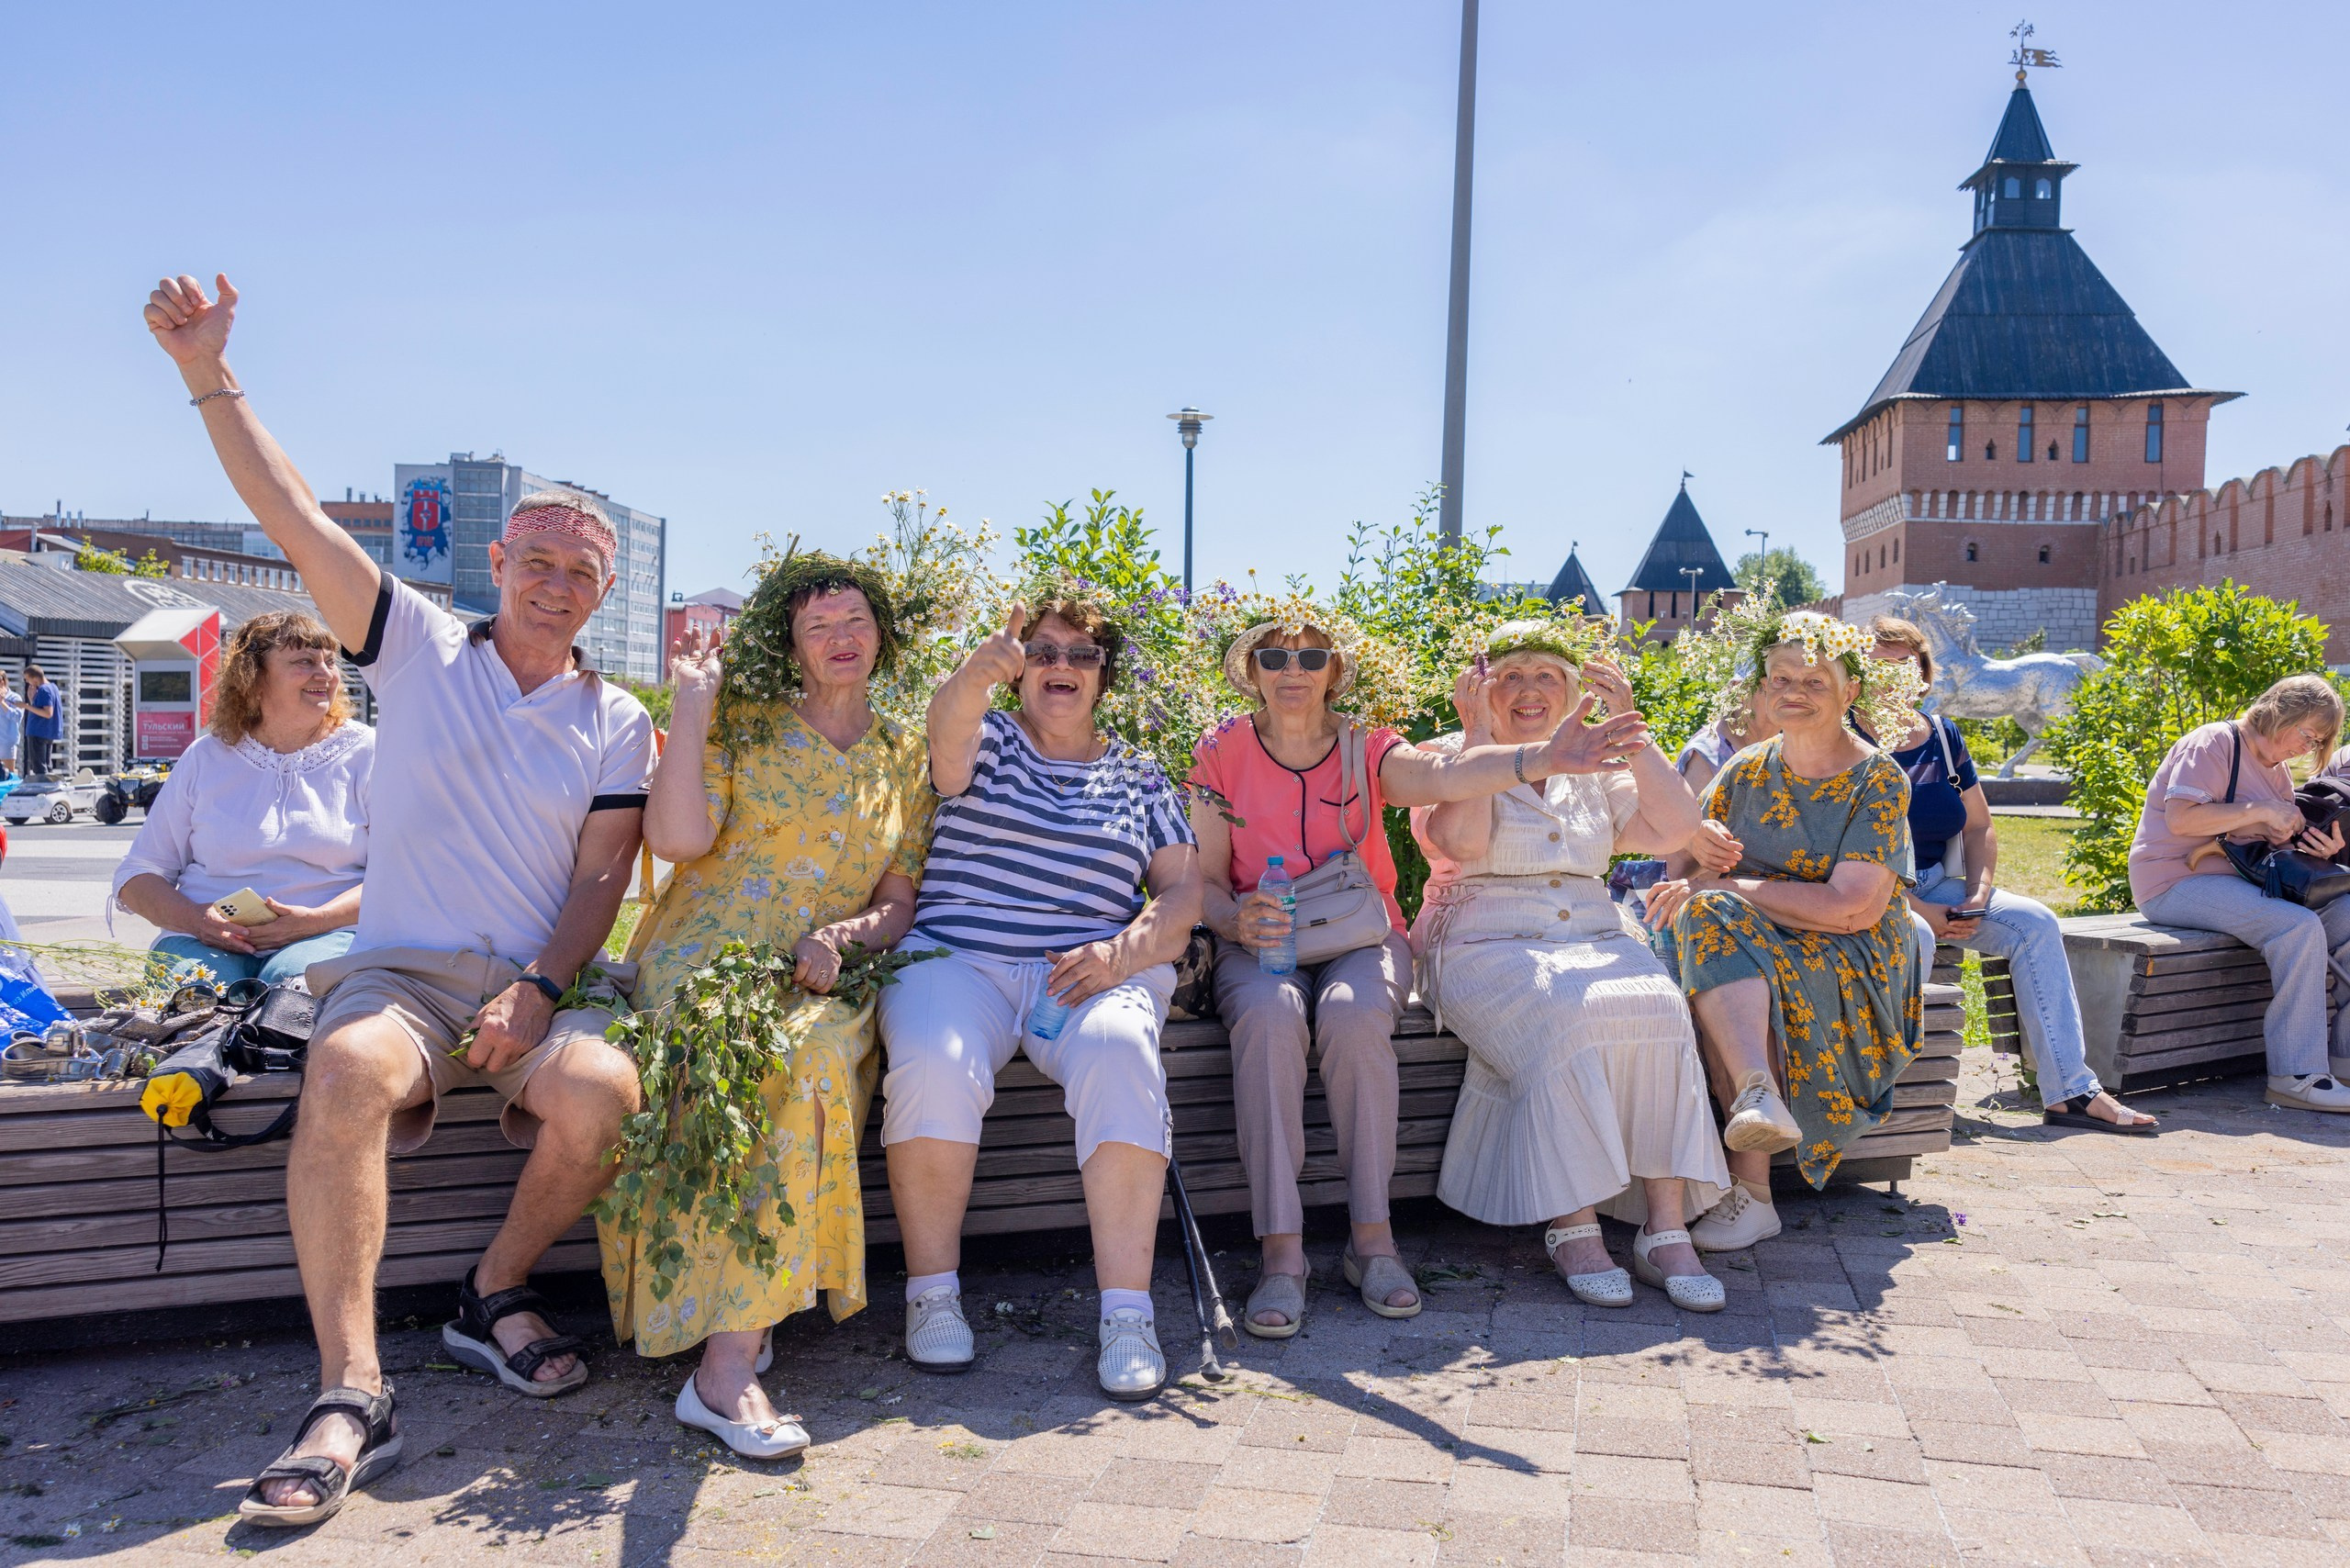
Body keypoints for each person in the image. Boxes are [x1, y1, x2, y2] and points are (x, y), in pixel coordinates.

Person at [146, 273, 654, 1527]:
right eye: (534, 559)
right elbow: (290, 510)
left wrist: (540, 995)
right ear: (498, 562)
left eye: (578, 570)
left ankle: (490, 1291)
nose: (553, 582)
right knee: (348, 1067)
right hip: (404, 974)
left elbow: (602, 877)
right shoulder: (419, 645)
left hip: (536, 982)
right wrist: (210, 373)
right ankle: (353, 1389)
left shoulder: (618, 718)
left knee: (609, 1093)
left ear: (605, 589)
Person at [599, 554, 933, 1460]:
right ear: (790, 643)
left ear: (882, 634)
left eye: (855, 619)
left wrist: (843, 937)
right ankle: (727, 1355)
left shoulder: (905, 755)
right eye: (818, 625)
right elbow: (675, 839)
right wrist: (695, 703)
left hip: (823, 969)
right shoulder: (741, 724)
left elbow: (899, 901)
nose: (839, 638)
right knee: (726, 1063)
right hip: (703, 957)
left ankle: (729, 1345)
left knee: (815, 1063)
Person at [876, 595, 1201, 1399]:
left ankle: (1127, 1313)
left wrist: (1121, 951)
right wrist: (977, 672)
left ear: (1103, 676)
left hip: (1087, 970)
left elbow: (1182, 893)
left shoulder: (1139, 774)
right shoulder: (986, 742)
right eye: (1044, 651)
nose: (1062, 666)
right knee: (933, 1059)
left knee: (1124, 1055)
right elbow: (947, 733)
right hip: (963, 960)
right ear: (1022, 667)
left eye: (1081, 655)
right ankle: (933, 1297)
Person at [1410, 626, 1727, 1310]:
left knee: (1661, 1007)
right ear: (1479, 685)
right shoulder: (1444, 754)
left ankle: (1664, 1228)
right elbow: (1459, 842)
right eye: (1511, 675)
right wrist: (1475, 740)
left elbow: (1674, 829)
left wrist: (1632, 736)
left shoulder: (1598, 764)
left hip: (1592, 929)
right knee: (1567, 1010)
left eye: (1547, 676)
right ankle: (1573, 1223)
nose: (1528, 690)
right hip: (1481, 937)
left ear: (1574, 691)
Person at [1645, 611, 1922, 1250]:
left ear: (1851, 689)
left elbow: (1851, 908)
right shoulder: (1746, 769)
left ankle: (1752, 1184)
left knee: (1716, 933)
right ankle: (1756, 1106)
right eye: (1779, 678)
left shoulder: (1877, 779)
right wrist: (1697, 843)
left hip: (1856, 957)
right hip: (1755, 943)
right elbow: (1683, 869)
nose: (1793, 691)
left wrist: (1724, 887)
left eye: (1814, 680)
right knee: (1711, 939)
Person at [1865, 617, 2153, 1134]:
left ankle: (2071, 1091)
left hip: (1937, 881)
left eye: (1905, 665)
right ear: (1855, 675)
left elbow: (1978, 827)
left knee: (2036, 921)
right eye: (1879, 666)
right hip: (1872, 893)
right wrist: (1916, 909)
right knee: (1921, 935)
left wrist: (1976, 895)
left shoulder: (1943, 737)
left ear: (1924, 674)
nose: (1893, 678)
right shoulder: (1842, 743)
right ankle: (1896, 1101)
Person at [111, 610, 373, 987]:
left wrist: (315, 921)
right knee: (199, 986)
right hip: (203, 940)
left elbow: (401, 876)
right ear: (254, 678)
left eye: (329, 662)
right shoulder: (206, 757)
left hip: (329, 934)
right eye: (304, 662)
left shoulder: (368, 753)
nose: (325, 674)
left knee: (292, 985)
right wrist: (197, 920)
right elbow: (138, 874)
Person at [2130, 674, 2350, 1114]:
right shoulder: (2214, 743)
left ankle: (2343, 1057)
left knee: (2347, 913)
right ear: (2281, 712)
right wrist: (2263, 810)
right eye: (2308, 734)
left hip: (2239, 884)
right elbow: (2181, 821)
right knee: (2296, 926)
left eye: (2319, 742)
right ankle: (2296, 1075)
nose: (2308, 748)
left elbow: (2276, 846)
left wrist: (2321, 849)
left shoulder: (2277, 772)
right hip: (2173, 882)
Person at [22, 665, 61, 777]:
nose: (27, 682)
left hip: (38, 732)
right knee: (47, 766)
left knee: (39, 768)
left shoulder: (44, 689)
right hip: (47, 732)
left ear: (35, 678)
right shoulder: (53, 687)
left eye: (27, 679)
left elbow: (48, 713)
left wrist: (26, 706)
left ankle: (43, 790)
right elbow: (41, 708)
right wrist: (32, 699)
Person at [0, 671, 23, 781]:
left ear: (3, 681)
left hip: (7, 742)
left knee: (7, 776)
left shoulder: (14, 697)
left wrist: (2, 702)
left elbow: (17, 717)